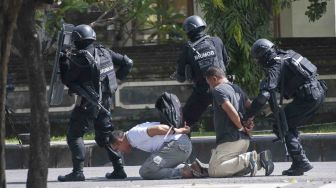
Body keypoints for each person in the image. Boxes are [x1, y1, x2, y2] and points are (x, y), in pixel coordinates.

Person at [57, 24, 133, 181]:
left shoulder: (79, 60)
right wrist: (117, 79)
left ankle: (78, 172)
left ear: (77, 40)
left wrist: (63, 61)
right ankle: (119, 169)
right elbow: (128, 62)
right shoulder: (105, 52)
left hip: (87, 102)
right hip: (106, 101)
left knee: (75, 134)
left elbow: (67, 80)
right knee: (105, 136)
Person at [246, 38, 327, 176]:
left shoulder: (275, 65)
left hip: (308, 97)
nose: (258, 63)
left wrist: (248, 115)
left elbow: (264, 95)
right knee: (289, 123)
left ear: (263, 56)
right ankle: (298, 161)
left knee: (282, 124)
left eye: (258, 59)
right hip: (318, 92)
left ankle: (300, 161)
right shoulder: (288, 54)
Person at [204, 66, 274, 177]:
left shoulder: (218, 89)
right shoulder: (236, 88)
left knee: (214, 170)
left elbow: (230, 111)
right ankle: (260, 160)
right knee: (233, 170)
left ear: (214, 78)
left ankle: (249, 158)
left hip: (230, 138)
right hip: (244, 140)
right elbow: (251, 107)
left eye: (209, 83)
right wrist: (250, 121)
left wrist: (241, 127)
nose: (210, 86)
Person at [173, 15, 230, 131]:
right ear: (203, 26)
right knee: (235, 115)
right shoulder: (216, 41)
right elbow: (226, 61)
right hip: (225, 87)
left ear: (188, 32)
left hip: (203, 92)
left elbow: (180, 77)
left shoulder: (187, 49)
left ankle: (183, 147)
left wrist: (183, 74)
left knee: (183, 121)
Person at [109, 122, 198, 179]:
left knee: (146, 171)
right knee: (153, 168)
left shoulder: (133, 135)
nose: (120, 152)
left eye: (117, 149)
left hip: (178, 146)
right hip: (180, 147)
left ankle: (185, 172)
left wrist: (180, 130)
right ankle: (193, 168)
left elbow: (158, 129)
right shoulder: (132, 138)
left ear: (119, 141)